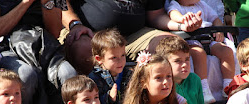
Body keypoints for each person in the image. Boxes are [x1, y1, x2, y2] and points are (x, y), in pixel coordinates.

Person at [0, 0, 77, 104]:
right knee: (25, 75)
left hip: (43, 46)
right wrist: (26, 2)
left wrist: (46, 3)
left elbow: (54, 31)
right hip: (7, 47)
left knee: (68, 74)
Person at [60, 0, 203, 75]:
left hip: (136, 34)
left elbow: (156, 15)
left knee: (174, 47)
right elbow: (59, 3)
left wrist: (180, 26)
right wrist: (75, 24)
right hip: (88, 31)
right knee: (82, 48)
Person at [166, 0, 235, 104]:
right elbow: (173, 13)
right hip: (192, 39)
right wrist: (183, 19)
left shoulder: (202, 4)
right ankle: (204, 89)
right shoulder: (175, 5)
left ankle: (228, 86)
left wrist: (218, 30)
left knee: (226, 51)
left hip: (209, 37)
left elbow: (215, 18)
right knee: (199, 53)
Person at [88, 28, 131, 104]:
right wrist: (108, 98)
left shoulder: (127, 74)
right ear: (99, 59)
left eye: (123, 55)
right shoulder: (95, 78)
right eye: (114, 58)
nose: (121, 61)